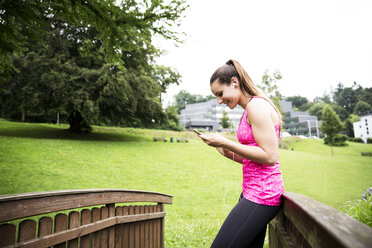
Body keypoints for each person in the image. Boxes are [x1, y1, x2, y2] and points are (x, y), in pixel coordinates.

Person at [198, 59, 284, 248]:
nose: (219, 100)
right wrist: (224, 150)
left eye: (220, 93)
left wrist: (225, 141)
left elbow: (270, 156)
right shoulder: (248, 109)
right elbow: (254, 159)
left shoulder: (256, 106)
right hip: (251, 192)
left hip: (262, 195)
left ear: (235, 82)